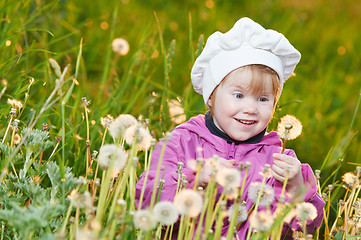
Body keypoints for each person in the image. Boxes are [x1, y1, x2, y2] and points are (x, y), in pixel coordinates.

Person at [135, 17, 324, 239]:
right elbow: (147, 201)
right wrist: (195, 178)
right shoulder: (181, 142)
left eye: (263, 99)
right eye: (239, 95)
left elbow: (302, 229)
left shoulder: (279, 160)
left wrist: (296, 187)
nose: (250, 108)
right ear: (212, 96)